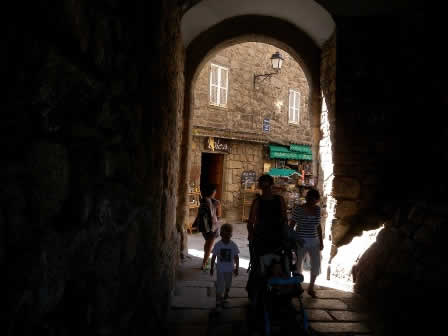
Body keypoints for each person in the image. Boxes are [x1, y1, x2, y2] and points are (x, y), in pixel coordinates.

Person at [290, 188, 323, 298]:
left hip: (314, 241)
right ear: (307, 198)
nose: (311, 201)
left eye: (314, 199)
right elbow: (292, 225)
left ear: (317, 200)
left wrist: (321, 241)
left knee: (316, 263)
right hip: (301, 240)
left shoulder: (318, 210)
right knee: (298, 263)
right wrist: (292, 239)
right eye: (309, 198)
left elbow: (318, 226)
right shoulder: (298, 209)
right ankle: (298, 286)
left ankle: (311, 287)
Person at [247, 174, 288, 256]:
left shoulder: (279, 200)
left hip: (276, 237)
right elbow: (250, 222)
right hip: (261, 237)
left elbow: (284, 219)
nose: (266, 190)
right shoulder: (258, 201)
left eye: (266, 187)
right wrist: (251, 236)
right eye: (264, 187)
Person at [210, 223, 239, 310]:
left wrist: (236, 268)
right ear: (221, 235)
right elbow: (214, 256)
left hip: (229, 270)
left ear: (231, 235)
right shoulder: (218, 245)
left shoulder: (233, 245)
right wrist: (211, 268)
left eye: (228, 235)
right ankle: (218, 300)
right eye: (224, 235)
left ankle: (226, 296)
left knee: (228, 285)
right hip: (220, 270)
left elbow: (236, 257)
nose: (226, 237)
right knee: (220, 286)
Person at [198, 184, 222, 270]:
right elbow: (219, 215)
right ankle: (204, 263)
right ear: (212, 192)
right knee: (209, 246)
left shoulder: (202, 200)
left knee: (207, 243)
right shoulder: (215, 202)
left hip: (204, 227)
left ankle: (206, 260)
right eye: (215, 191)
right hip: (212, 227)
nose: (216, 192)